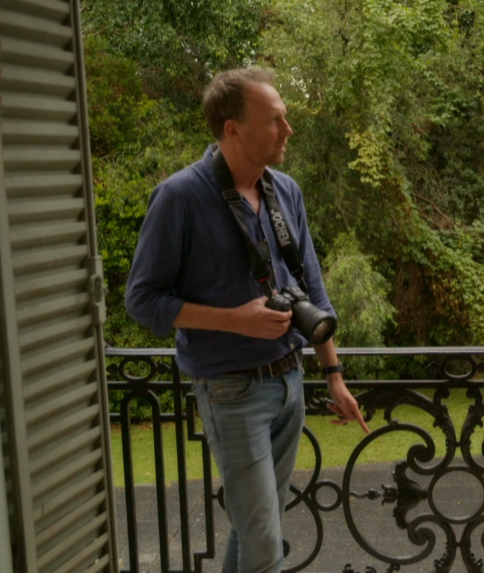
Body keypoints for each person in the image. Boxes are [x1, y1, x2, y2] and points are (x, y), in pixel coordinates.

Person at [125, 67, 370, 573]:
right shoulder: (180, 197)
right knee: (263, 545)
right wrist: (234, 320)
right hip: (231, 391)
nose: (288, 130)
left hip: (290, 383)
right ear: (233, 129)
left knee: (255, 527)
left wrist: (333, 374)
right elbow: (142, 299)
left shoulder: (286, 191)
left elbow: (312, 287)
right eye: (275, 120)